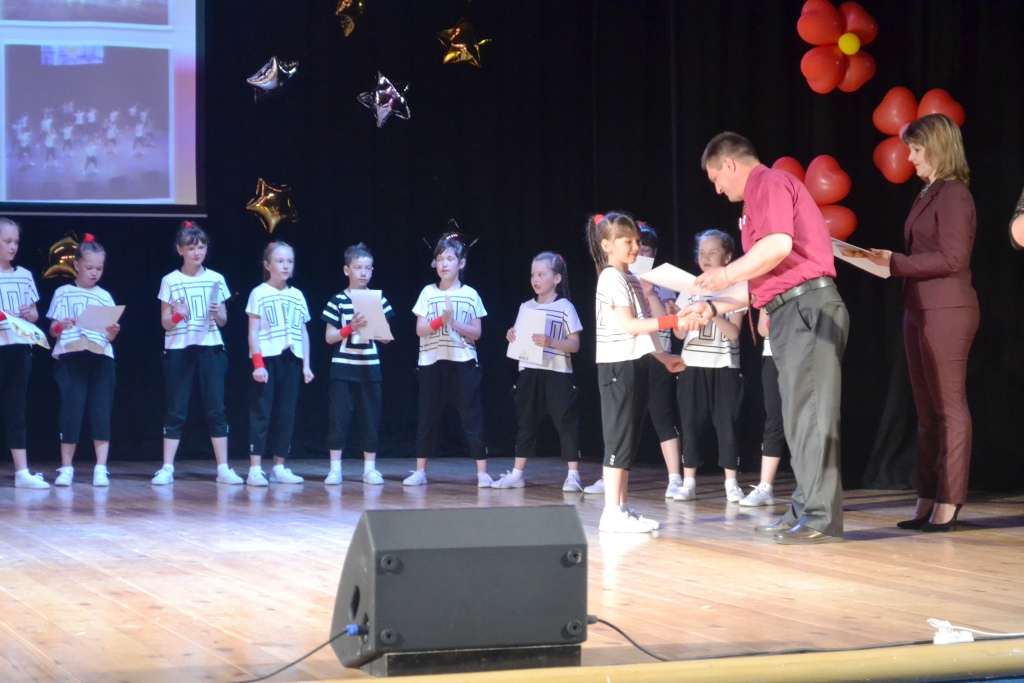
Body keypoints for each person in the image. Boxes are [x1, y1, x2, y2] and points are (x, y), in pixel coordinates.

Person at [684, 132, 849, 545]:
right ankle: (803, 510)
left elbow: (777, 245)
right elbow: (761, 278)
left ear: (729, 164)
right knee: (797, 418)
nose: (717, 189)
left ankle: (820, 519)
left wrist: (724, 273)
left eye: (715, 178)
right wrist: (713, 307)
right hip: (789, 308)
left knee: (811, 416)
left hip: (807, 306)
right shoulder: (758, 198)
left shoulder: (768, 182)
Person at [866, 114, 978, 532]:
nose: (910, 158)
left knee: (949, 407)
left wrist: (896, 262)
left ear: (938, 147)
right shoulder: (928, 192)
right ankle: (927, 498)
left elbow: (954, 258)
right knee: (927, 412)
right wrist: (886, 262)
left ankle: (949, 501)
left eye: (916, 149)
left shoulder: (954, 194)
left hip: (947, 309)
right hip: (918, 308)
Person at [585, 213, 686, 533]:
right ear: (607, 245)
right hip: (618, 365)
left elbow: (643, 328)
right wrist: (675, 321)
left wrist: (663, 356)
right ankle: (610, 512)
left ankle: (622, 508)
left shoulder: (629, 278)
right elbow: (630, 325)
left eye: (638, 241)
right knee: (618, 438)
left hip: (636, 361)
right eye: (627, 241)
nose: (635, 247)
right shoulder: (611, 277)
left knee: (628, 438)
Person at [152, 221, 243, 486]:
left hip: (210, 347)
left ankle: (223, 468)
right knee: (176, 408)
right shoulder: (170, 280)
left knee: (216, 408)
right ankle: (167, 467)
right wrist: (178, 315)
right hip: (178, 348)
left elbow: (223, 320)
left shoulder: (216, 279)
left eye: (201, 247)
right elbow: (165, 322)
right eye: (191, 248)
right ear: (180, 250)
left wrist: (217, 313)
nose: (197, 252)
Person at [406, 234, 492, 487]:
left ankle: (482, 472)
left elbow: (477, 333)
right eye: (440, 259)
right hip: (431, 363)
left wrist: (453, 322)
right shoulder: (427, 292)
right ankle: (420, 471)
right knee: (426, 418)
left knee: (472, 418)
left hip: (463, 362)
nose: (444, 264)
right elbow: (420, 330)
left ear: (461, 263)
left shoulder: (470, 294)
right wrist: (440, 321)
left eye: (450, 259)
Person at [672, 230, 747, 503]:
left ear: (727, 257)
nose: (705, 257)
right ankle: (689, 482)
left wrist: (711, 310)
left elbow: (734, 333)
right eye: (701, 253)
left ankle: (731, 483)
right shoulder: (690, 289)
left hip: (724, 366)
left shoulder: (736, 289)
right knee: (690, 424)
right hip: (692, 365)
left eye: (713, 252)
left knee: (726, 425)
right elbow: (680, 334)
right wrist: (676, 316)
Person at [500, 252, 583, 490]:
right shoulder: (526, 307)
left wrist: (551, 342)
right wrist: (512, 336)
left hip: (557, 372)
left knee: (566, 422)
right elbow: (519, 339)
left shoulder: (565, 307)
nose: (535, 279)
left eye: (541, 274)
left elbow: (575, 345)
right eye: (533, 275)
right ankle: (518, 474)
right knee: (526, 422)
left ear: (556, 279)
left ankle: (573, 475)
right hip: (529, 371)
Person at [47, 234, 121, 487]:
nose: (94, 273)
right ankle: (66, 467)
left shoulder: (105, 296)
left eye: (99, 268)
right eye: (89, 268)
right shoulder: (63, 293)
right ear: (77, 265)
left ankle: (101, 468)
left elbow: (108, 336)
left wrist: (112, 332)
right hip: (71, 356)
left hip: (100, 357)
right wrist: (61, 325)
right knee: (72, 409)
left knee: (101, 411)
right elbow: (53, 330)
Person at [321, 242, 394, 485]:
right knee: (338, 418)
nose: (363, 273)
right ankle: (335, 469)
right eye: (358, 268)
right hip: (343, 367)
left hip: (370, 368)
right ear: (347, 270)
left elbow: (386, 338)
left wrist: (375, 325)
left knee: (370, 419)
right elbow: (329, 337)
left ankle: (369, 469)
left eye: (367, 268)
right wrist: (350, 327)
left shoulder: (378, 299)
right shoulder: (338, 300)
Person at [245, 241, 314, 486]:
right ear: (268, 265)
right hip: (267, 359)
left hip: (291, 359)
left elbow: (303, 332)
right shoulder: (259, 293)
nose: (286, 266)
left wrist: (306, 364)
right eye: (280, 261)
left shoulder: (297, 295)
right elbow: (253, 332)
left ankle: (279, 466)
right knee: (261, 412)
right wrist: (258, 364)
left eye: (290, 261)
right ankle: (255, 468)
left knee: (286, 413)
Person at [0, 218, 49, 489]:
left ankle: (22, 472)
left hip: (19, 348)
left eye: (16, 242)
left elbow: (34, 314)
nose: (13, 247)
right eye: (7, 241)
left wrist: (29, 313)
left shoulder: (25, 275)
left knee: (16, 409)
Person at [738, 309, 786, 507]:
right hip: (773, 357)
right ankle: (765, 486)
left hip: (802, 357)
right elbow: (762, 329)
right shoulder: (770, 296)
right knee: (774, 420)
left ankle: (811, 487)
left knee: (804, 421)